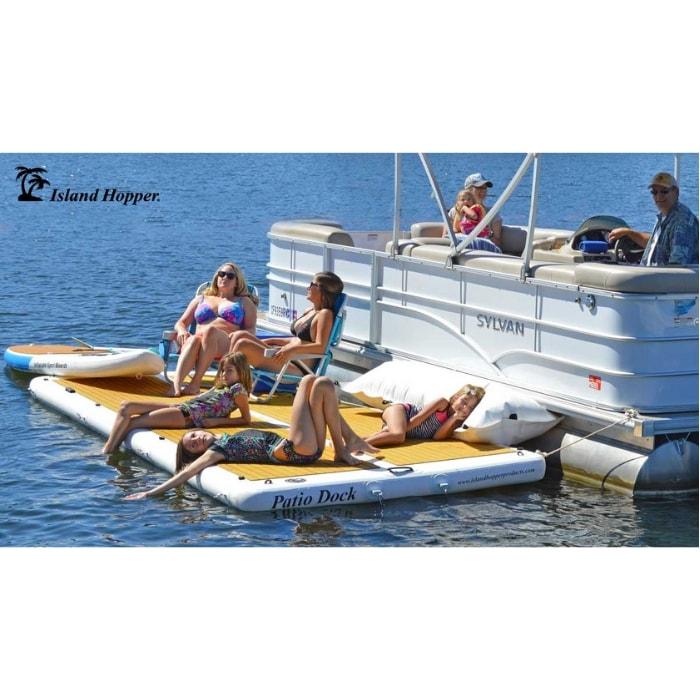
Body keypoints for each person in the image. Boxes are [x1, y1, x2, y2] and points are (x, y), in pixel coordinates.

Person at [123, 375, 379, 500]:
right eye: (195, 444)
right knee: (311, 381)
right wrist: (150, 493)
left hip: (303, 447)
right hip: (294, 450)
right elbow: (186, 473)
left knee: (320, 384)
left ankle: (343, 448)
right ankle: (345, 447)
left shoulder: (222, 436)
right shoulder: (218, 451)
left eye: (193, 435)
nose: (197, 438)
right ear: (200, 453)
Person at [102, 352, 252, 454]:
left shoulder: (238, 389)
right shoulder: (222, 386)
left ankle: (109, 452)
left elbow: (246, 419)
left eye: (230, 371)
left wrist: (216, 422)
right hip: (182, 408)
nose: (224, 374)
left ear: (241, 372)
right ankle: (109, 448)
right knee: (126, 406)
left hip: (188, 416)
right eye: (223, 370)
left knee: (134, 422)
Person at [229, 271, 343, 377]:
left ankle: (231, 383)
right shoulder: (310, 311)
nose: (308, 287)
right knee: (239, 335)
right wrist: (272, 340)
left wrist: (290, 350)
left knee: (243, 344)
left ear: (321, 290)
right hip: (285, 356)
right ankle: (228, 376)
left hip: (298, 366)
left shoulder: (325, 314)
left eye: (312, 284)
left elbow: (321, 347)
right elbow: (298, 340)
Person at [169, 262, 258, 396]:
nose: (224, 278)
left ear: (237, 282)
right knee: (193, 340)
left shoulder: (244, 302)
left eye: (230, 276)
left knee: (210, 331)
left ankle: (195, 383)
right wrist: (182, 330)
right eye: (221, 274)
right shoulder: (201, 299)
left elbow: (251, 330)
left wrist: (238, 335)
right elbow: (181, 322)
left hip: (226, 344)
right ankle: (176, 385)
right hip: (198, 343)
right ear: (216, 278)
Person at [608, 172, 699, 266]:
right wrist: (629, 233)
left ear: (676, 192)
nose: (659, 196)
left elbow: (676, 268)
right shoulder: (665, 215)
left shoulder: (681, 223)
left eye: (664, 191)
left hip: (663, 279)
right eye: (654, 192)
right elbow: (657, 245)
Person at [363, 384, 485, 447]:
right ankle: (361, 446)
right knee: (398, 436)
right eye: (464, 401)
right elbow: (418, 419)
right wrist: (397, 430)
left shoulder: (457, 423)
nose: (464, 407)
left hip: (405, 430)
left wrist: (453, 418)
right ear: (456, 397)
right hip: (402, 412)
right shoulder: (442, 404)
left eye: (470, 407)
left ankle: (354, 442)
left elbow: (437, 437)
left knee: (393, 435)